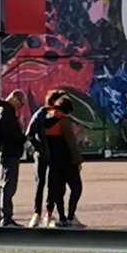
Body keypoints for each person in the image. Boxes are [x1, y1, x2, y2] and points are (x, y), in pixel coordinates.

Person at [25, 89, 65, 227]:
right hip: (42, 154)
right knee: (40, 183)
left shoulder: (59, 116)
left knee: (52, 184)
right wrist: (39, 148)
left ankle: (48, 213)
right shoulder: (41, 115)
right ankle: (37, 214)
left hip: (54, 154)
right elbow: (29, 134)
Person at [43, 96, 85, 228]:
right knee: (76, 188)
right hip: (67, 160)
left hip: (53, 161)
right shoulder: (64, 121)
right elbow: (71, 143)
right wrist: (78, 160)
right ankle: (71, 215)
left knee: (58, 190)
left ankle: (61, 218)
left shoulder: (46, 118)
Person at [0, 90, 27, 227]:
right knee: (8, 185)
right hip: (9, 152)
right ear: (15, 99)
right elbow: (10, 133)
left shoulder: (2, 109)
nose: (21, 107)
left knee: (7, 184)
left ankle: (5, 216)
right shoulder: (5, 111)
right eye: (22, 104)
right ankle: (5, 217)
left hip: (7, 151)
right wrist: (23, 138)